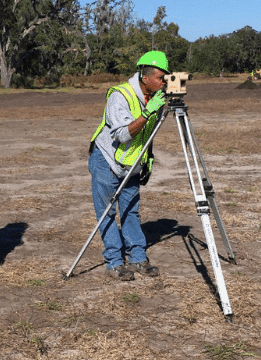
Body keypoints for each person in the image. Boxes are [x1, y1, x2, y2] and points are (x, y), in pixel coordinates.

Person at [88, 51, 168, 281]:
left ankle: (137, 257)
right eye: (161, 78)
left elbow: (149, 133)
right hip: (106, 159)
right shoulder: (120, 96)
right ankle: (114, 261)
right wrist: (148, 111)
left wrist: (148, 158)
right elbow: (123, 134)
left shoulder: (156, 98)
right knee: (108, 212)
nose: (164, 83)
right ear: (145, 76)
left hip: (133, 161)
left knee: (131, 210)